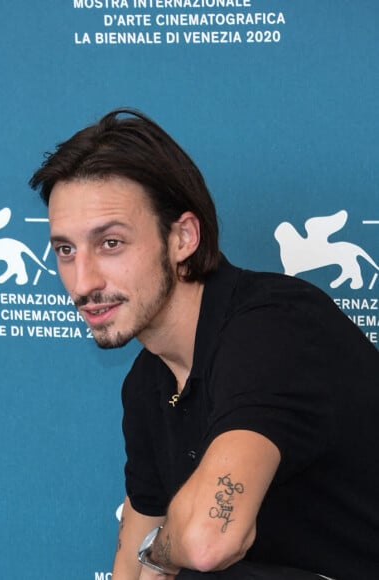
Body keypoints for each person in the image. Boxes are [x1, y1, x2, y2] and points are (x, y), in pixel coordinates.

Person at [29, 109, 379, 580]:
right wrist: (155, 553)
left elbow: (207, 541)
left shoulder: (276, 328)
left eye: (111, 243)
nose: (83, 280)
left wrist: (159, 551)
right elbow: (134, 564)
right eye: (65, 250)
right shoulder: (148, 381)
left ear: (182, 238)